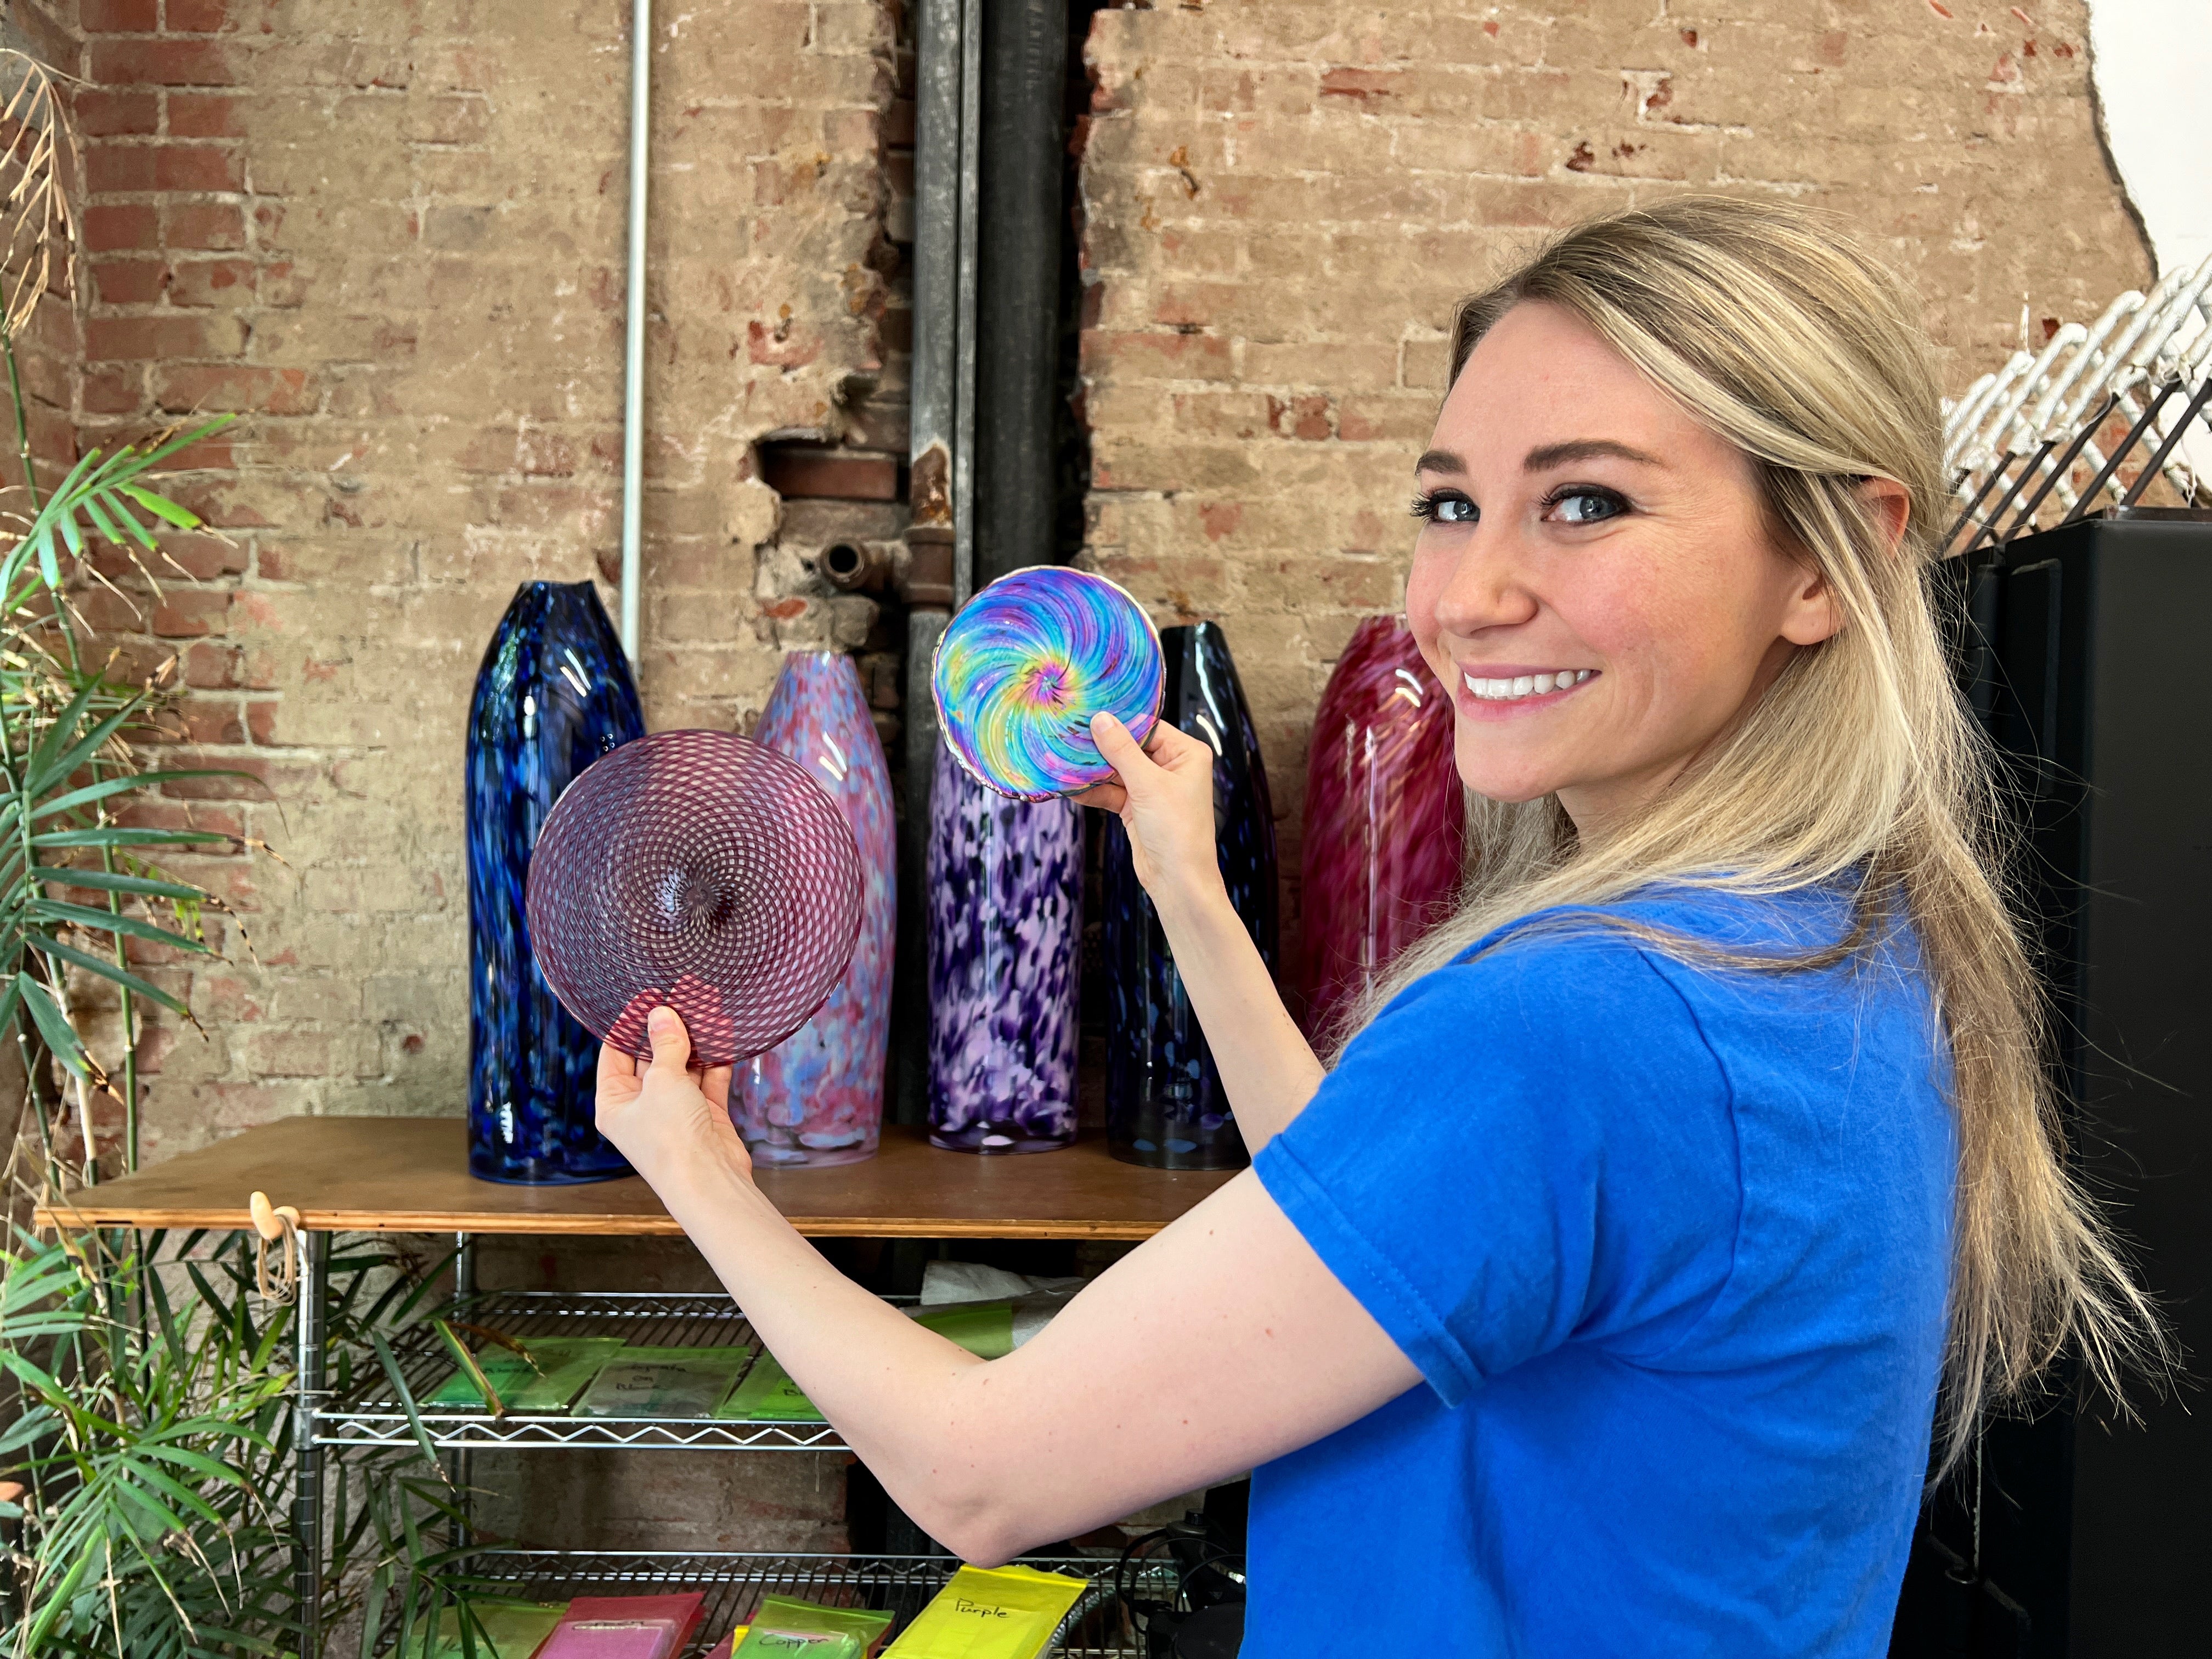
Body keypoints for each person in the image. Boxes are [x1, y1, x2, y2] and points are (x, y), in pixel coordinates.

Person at [594, 197, 2153, 1655]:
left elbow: (980, 1478)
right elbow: (1393, 1216)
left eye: (1586, 502)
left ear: (1828, 560)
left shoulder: (1584, 1022)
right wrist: (1190, 894)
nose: (1470, 593)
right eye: (1450, 502)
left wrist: (702, 1174)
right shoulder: (1833, 948)